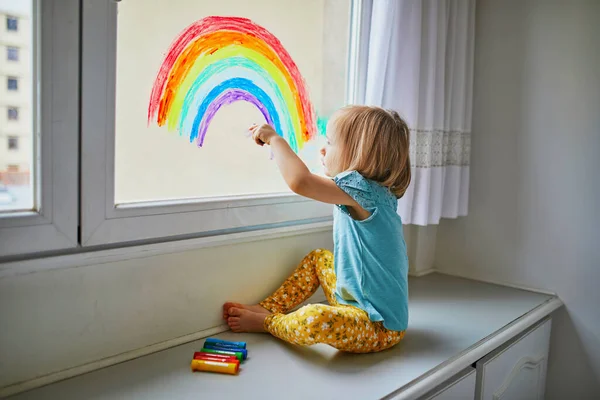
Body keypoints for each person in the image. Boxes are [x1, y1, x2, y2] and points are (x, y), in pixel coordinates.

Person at [223, 105, 411, 353]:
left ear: (360, 155)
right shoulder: (374, 194)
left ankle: (268, 322)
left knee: (316, 318)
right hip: (352, 305)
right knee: (318, 259)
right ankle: (271, 307)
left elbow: (300, 181)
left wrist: (274, 139)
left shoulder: (365, 191)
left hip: (378, 326)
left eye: (330, 143)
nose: (322, 149)